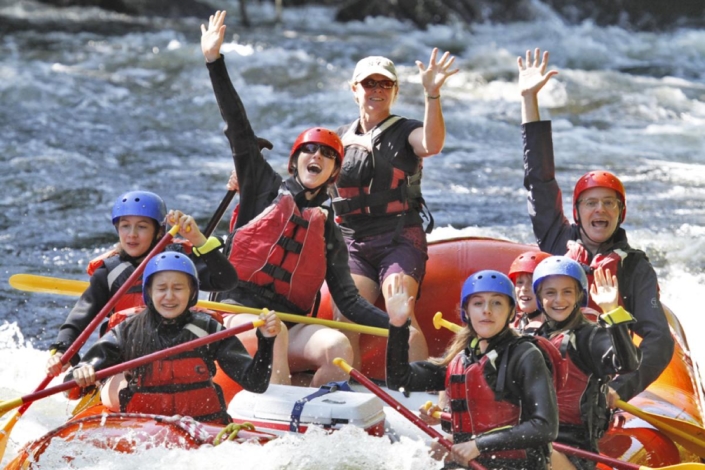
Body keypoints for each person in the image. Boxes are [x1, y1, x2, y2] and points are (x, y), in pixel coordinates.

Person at [200, 11, 390, 387]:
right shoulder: (262, 187)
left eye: (327, 154)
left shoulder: (328, 230)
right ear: (295, 160)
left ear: (335, 171)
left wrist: (396, 323)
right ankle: (278, 425)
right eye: (309, 151)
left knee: (337, 346)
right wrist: (213, 61)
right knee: (275, 333)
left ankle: (313, 420)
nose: (316, 157)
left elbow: (349, 302)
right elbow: (238, 128)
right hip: (235, 314)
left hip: (291, 323)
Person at [518, 48, 674, 404]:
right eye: (591, 202)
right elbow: (538, 180)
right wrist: (529, 100)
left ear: (621, 212)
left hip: (600, 370)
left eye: (608, 203)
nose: (599, 209)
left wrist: (621, 390)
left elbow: (659, 340)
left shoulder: (634, 266)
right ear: (577, 212)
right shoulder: (558, 240)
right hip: (549, 364)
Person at [329, 47, 459, 365]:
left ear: (395, 91)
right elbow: (305, 183)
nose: (377, 90)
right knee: (347, 318)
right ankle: (346, 396)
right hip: (352, 242)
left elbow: (432, 144)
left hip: (398, 237)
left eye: (385, 84)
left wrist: (432, 95)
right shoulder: (337, 138)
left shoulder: (406, 131)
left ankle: (415, 394)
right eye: (369, 83)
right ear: (354, 89)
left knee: (399, 307)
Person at [66, 251, 280, 424]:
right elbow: (71, 387)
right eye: (161, 288)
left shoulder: (209, 330)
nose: (169, 296)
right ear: (148, 292)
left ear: (192, 293)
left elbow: (256, 383)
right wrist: (80, 373)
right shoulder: (126, 332)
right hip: (144, 432)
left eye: (178, 288)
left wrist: (266, 341)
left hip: (203, 428)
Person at [47, 190, 236, 377]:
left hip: (177, 353)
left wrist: (198, 240)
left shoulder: (179, 261)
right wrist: (63, 351)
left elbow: (226, 281)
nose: (132, 234)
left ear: (159, 231)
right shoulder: (109, 271)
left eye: (142, 227)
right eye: (125, 226)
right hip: (126, 357)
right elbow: (81, 317)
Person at [386, 270, 558, 469]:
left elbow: (545, 427)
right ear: (466, 312)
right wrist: (397, 326)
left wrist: (478, 445)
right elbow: (399, 380)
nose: (487, 310)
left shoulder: (525, 356)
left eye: (496, 303)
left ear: (511, 312)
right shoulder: (461, 359)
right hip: (471, 464)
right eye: (478, 303)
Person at [531, 256, 641, 470]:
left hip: (574, 452)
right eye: (550, 292)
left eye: (567, 292)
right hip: (534, 439)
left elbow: (627, 363)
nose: (558, 300)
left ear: (579, 296)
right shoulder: (532, 339)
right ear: (540, 298)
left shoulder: (589, 337)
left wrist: (611, 311)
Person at [508, 250, 552, 334]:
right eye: (520, 282)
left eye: (532, 282)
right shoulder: (515, 322)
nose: (524, 288)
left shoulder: (553, 328)